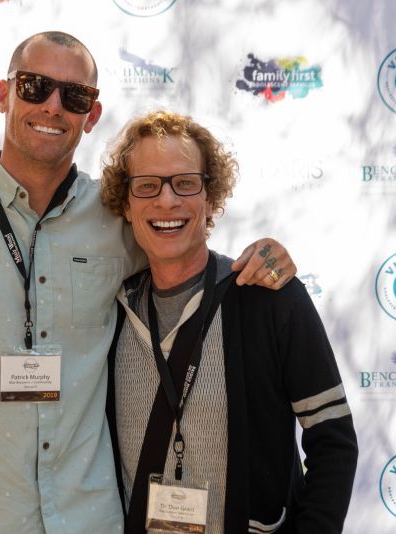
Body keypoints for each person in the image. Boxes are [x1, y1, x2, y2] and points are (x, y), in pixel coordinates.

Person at [0, 31, 296, 533]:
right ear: (4, 94)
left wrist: (269, 258)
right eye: (35, 86)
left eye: (75, 95)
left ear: (92, 114)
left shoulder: (119, 217)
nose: (53, 106)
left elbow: (185, 243)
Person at [98, 110, 358, 533]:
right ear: (125, 205)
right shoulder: (109, 312)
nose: (166, 201)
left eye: (185, 183)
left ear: (211, 197)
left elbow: (334, 441)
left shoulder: (270, 299)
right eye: (146, 186)